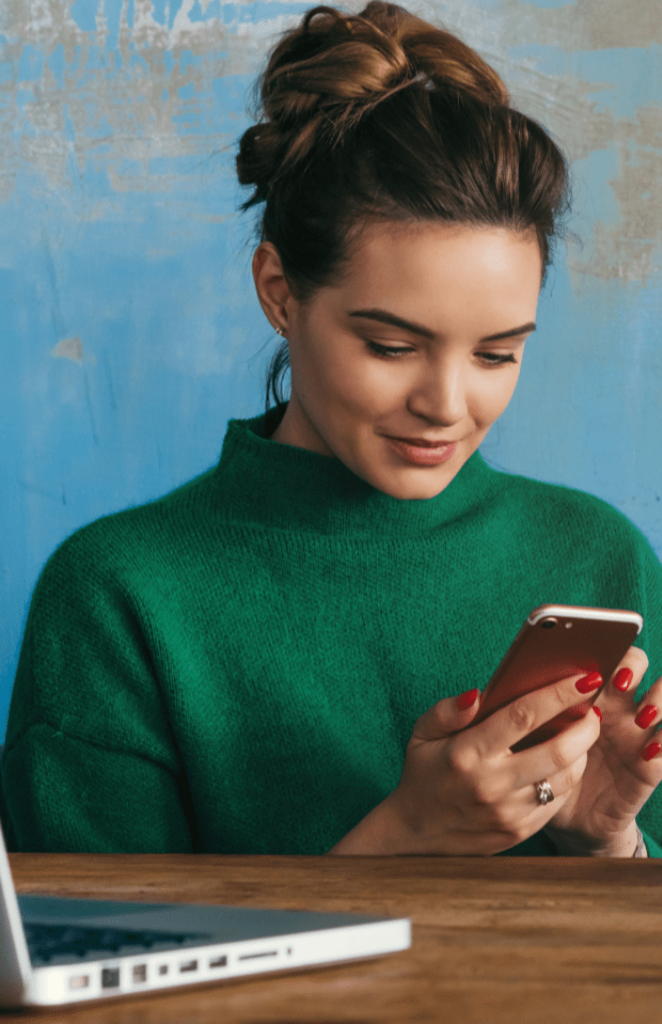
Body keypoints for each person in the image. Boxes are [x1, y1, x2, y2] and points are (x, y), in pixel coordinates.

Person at [2, 1, 662, 858]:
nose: (447, 403)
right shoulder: (120, 598)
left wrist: (609, 848)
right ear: (280, 292)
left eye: (498, 354)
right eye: (391, 345)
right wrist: (407, 838)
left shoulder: (600, 558)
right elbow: (88, 979)